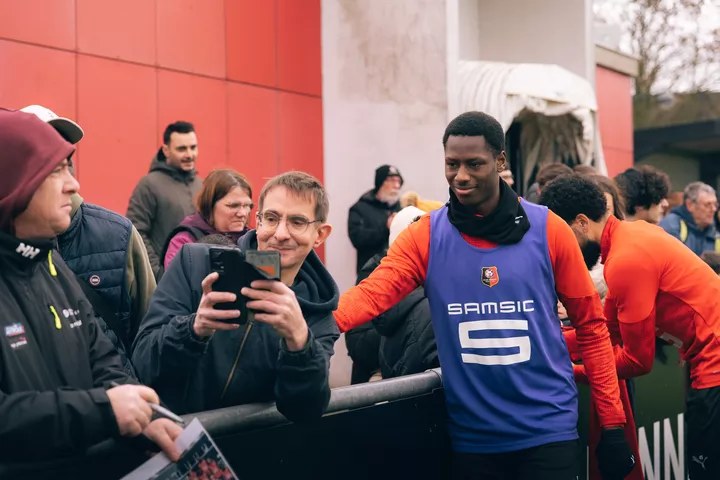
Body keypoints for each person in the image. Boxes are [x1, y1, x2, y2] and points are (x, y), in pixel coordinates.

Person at [334, 111, 634, 480]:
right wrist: (308, 324)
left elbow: (592, 328)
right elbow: (370, 296)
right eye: (452, 164)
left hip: (548, 431)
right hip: (473, 440)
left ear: (500, 161)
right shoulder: (425, 236)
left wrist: (613, 423)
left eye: (474, 164)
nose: (461, 176)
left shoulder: (549, 229)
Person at [0, 108, 181, 462]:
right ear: (13, 181)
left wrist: (139, 414)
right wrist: (104, 411)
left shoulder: (50, 262)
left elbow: (101, 355)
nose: (73, 184)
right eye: (54, 171)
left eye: (68, 167)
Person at [539, 174, 720, 480]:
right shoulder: (630, 237)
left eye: (561, 236)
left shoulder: (626, 259)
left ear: (581, 222)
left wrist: (569, 371)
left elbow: (637, 361)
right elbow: (604, 331)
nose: (561, 249)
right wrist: (546, 344)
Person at [132, 172, 340, 419]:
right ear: (258, 221)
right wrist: (192, 329)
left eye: (297, 222)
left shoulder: (318, 317)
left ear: (320, 235)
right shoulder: (194, 263)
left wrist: (299, 343)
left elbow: (303, 410)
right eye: (271, 218)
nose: (281, 233)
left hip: (246, 441)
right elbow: (142, 363)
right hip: (171, 433)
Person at [21, 105, 156, 367]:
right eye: (48, 161)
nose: (70, 180)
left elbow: (151, 339)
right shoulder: (10, 249)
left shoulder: (119, 235)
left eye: (65, 160)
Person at [127, 121, 203, 278]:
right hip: (165, 281)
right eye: (182, 149)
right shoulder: (149, 184)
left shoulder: (201, 185)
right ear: (166, 150)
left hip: (198, 278)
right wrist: (158, 272)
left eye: (193, 147)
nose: (189, 155)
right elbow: (136, 232)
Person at [162, 169, 253, 269]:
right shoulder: (185, 241)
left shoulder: (253, 240)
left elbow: (265, 271)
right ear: (209, 205)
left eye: (247, 205)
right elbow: (175, 277)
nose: (243, 213)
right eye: (233, 205)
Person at [348, 165, 403, 274]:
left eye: (398, 181)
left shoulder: (402, 208)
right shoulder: (360, 208)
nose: (396, 186)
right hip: (370, 273)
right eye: (391, 180)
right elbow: (357, 239)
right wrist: (386, 227)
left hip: (398, 273)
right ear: (380, 183)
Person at [659, 181, 720, 256]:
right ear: (690, 205)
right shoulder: (671, 225)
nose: (713, 209)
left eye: (715, 204)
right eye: (707, 205)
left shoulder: (715, 234)